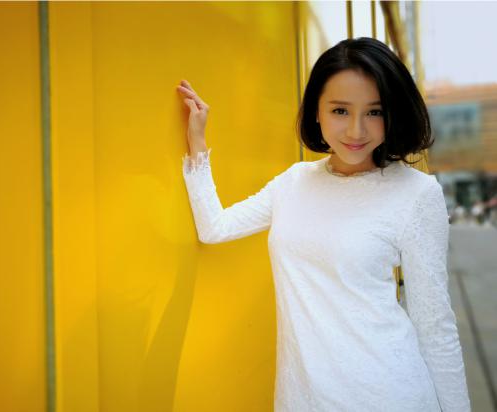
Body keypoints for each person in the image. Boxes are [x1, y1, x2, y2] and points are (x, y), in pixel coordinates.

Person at [176, 37, 471, 412]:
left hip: (389, 395)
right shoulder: (294, 182)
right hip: (303, 396)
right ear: (317, 110)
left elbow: (435, 326)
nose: (356, 131)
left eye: (375, 112)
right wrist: (197, 140)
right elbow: (215, 228)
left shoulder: (416, 194)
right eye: (340, 110)